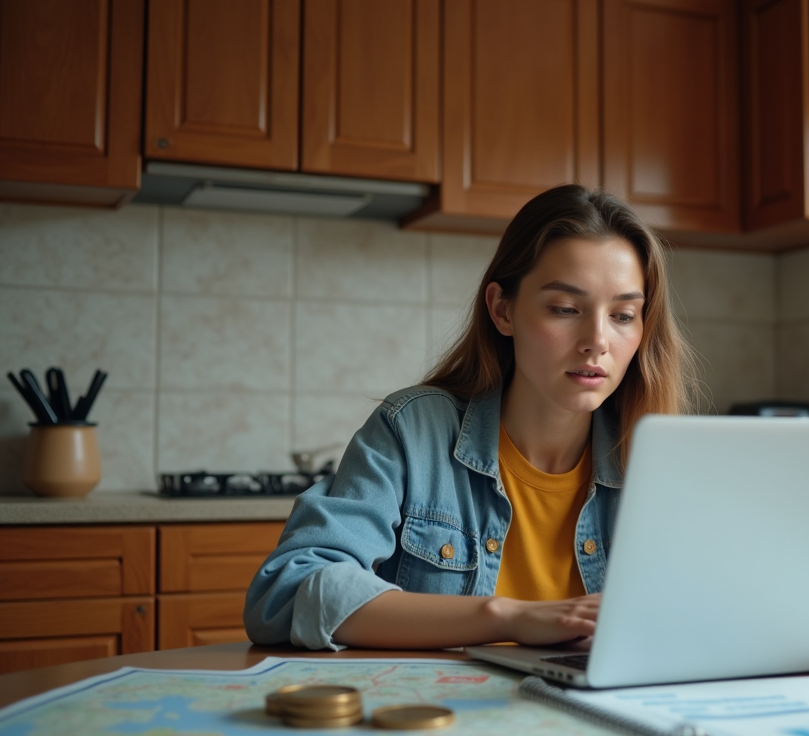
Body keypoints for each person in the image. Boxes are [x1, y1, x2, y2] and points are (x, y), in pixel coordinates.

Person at [244, 184, 697, 651]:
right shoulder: (412, 432)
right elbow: (287, 590)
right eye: (565, 309)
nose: (597, 340)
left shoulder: (657, 460)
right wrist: (508, 617)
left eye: (623, 315)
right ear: (503, 310)